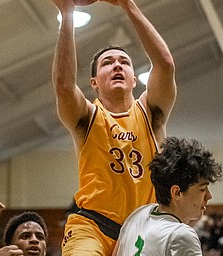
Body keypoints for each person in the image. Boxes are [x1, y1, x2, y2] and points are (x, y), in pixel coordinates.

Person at [51, 0, 177, 255]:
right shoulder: (87, 115)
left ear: (133, 79)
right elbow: (64, 86)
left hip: (143, 227)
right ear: (94, 82)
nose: (117, 65)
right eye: (108, 62)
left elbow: (165, 64)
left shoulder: (150, 112)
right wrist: (66, 13)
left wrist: (127, 5)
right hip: (92, 226)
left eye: (125, 62)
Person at [113, 136, 223, 256]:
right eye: (202, 189)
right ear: (176, 192)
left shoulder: (138, 214)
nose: (209, 196)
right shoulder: (182, 235)